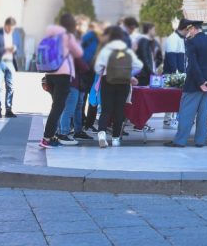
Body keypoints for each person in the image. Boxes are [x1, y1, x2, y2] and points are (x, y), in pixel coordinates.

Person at [165, 19, 207, 148]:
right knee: (203, 115)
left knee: (186, 113)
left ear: (193, 28)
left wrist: (200, 82)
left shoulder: (191, 42)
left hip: (194, 84)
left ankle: (180, 140)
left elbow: (193, 65)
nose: (188, 32)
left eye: (189, 30)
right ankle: (200, 140)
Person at [93, 25, 143, 147]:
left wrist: (105, 72)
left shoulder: (106, 50)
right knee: (119, 111)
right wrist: (129, 74)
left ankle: (102, 134)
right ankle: (116, 139)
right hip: (124, 82)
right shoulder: (127, 50)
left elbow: (97, 68)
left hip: (108, 81)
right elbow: (139, 65)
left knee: (106, 110)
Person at [39, 20, 83, 149]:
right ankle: (46, 138)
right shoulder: (67, 37)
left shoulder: (49, 36)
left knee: (56, 107)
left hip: (49, 74)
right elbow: (79, 53)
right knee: (57, 108)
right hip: (62, 74)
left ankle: (51, 137)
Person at [0, 17, 20, 118]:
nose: (11, 31)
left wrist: (15, 48)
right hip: (0, 62)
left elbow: (18, 47)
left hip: (10, 63)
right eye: (10, 28)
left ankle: (9, 110)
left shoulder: (16, 35)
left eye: (13, 29)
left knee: (11, 87)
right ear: (6, 26)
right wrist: (4, 49)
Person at [161, 23, 186, 129]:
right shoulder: (173, 38)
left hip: (178, 74)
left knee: (175, 98)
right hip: (173, 74)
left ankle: (171, 119)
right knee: (170, 98)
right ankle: (167, 120)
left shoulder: (180, 38)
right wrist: (177, 75)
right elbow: (171, 58)